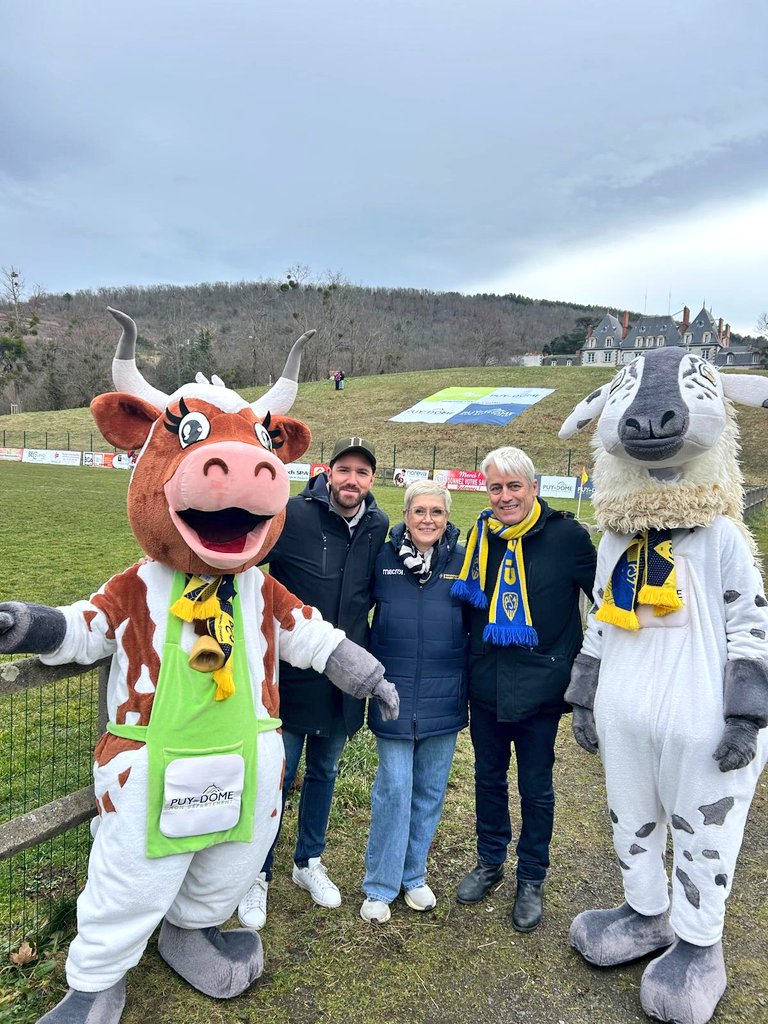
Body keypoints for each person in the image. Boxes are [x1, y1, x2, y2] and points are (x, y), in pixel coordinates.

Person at [237, 436, 388, 929]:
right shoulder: (293, 514)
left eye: (362, 474)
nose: (352, 481)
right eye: (345, 470)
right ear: (329, 472)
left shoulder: (377, 525)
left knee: (325, 773)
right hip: (292, 675)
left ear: (371, 480)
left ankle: (308, 863)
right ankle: (255, 873)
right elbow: (244, 562)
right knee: (275, 780)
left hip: (342, 677)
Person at [452, 446, 596, 932]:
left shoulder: (567, 536)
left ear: (534, 488)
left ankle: (531, 875)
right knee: (488, 779)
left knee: (536, 788)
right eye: (496, 487)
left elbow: (606, 598)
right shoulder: (479, 538)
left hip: (540, 688)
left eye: (515, 486)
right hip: (488, 685)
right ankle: (491, 861)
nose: (506, 496)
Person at [359, 481, 469, 923]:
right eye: (419, 511)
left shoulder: (463, 562)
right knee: (395, 788)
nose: (428, 519)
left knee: (429, 790)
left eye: (436, 512)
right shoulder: (383, 559)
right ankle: (380, 885)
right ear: (405, 515)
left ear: (446, 518)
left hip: (445, 697)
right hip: (394, 695)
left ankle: (413, 876)